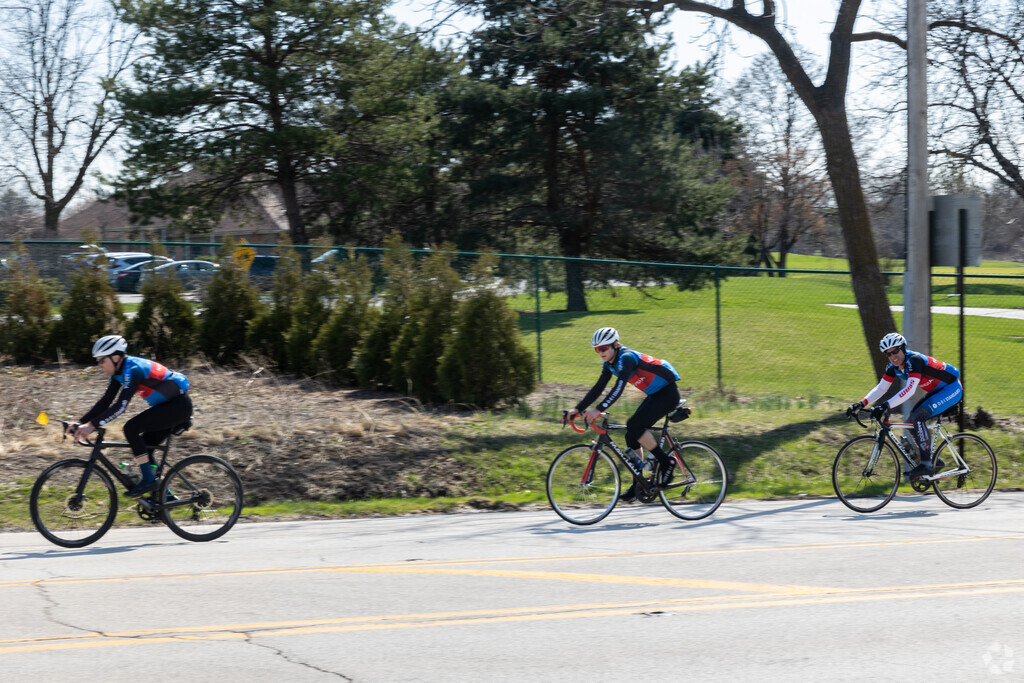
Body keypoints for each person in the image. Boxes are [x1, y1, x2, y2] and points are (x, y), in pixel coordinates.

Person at [66, 335, 193, 497]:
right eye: (97, 361)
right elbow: (105, 402)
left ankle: (149, 480)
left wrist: (91, 426)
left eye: (101, 360)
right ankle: (163, 495)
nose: (99, 366)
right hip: (167, 407)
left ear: (116, 357)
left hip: (178, 407)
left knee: (131, 428)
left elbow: (121, 406)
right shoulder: (118, 373)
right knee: (146, 447)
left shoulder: (133, 370)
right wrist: (80, 422)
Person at [565, 327, 681, 502]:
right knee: (631, 435)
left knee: (634, 425)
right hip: (655, 394)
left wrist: (597, 409)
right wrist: (577, 409)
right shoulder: (610, 364)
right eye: (597, 349)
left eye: (604, 348)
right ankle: (639, 484)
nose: (601, 352)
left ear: (614, 345)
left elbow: (618, 388)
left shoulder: (626, 358)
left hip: (668, 393)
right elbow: (599, 388)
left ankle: (667, 462)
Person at [847, 332, 962, 478]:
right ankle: (934, 462)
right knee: (910, 421)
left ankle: (926, 464)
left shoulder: (914, 360)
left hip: (951, 388)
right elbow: (881, 388)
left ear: (903, 348)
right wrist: (861, 403)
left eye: (895, 351)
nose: (893, 356)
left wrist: (885, 405)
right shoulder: (893, 366)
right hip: (936, 391)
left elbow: (910, 390)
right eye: (888, 354)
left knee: (918, 418)